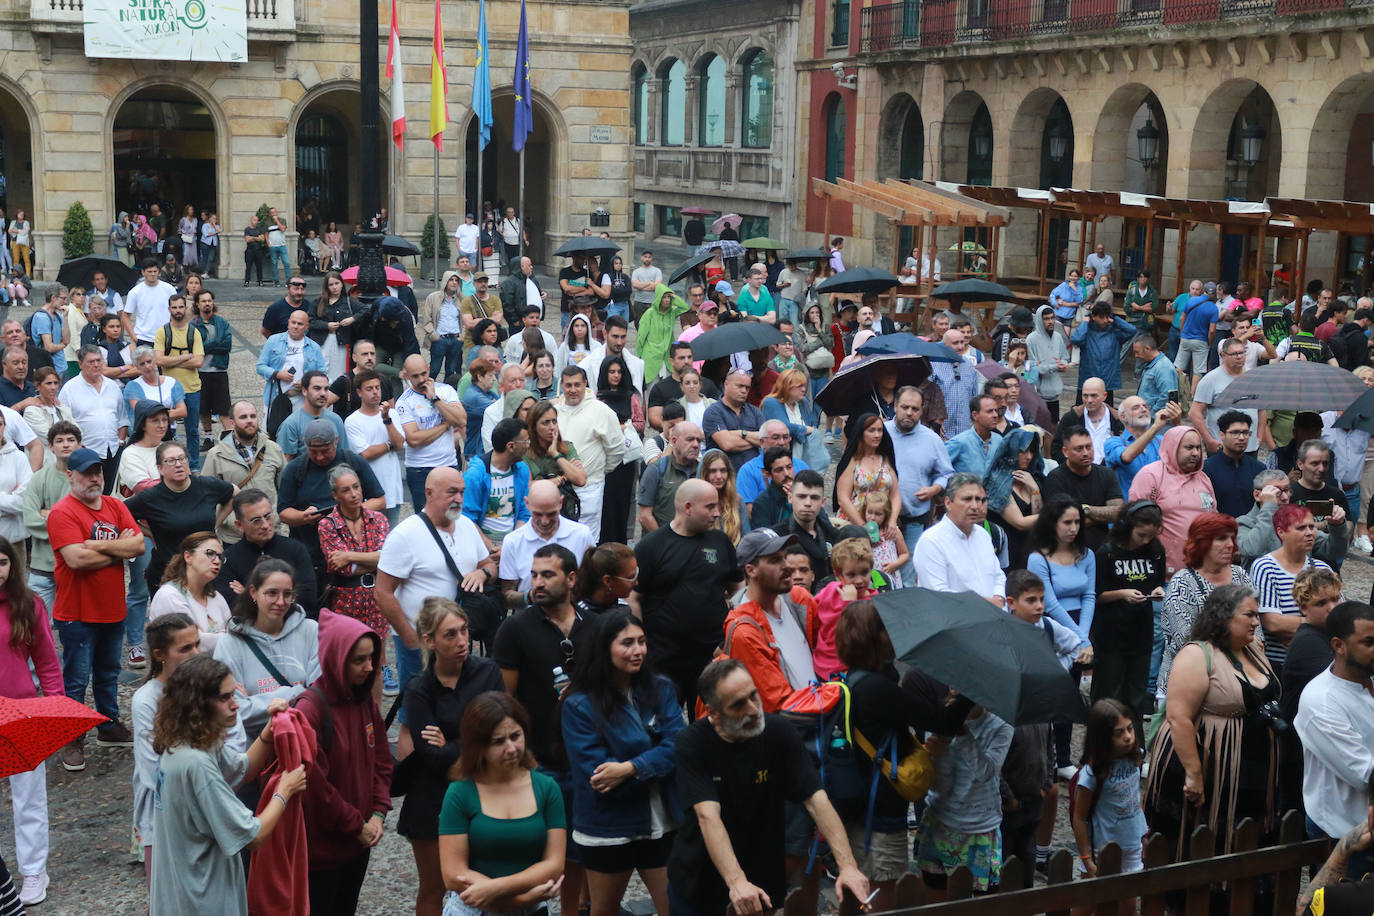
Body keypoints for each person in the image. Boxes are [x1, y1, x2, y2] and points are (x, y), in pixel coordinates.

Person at [667, 659, 870, 916]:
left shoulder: (779, 732)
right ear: (713, 713)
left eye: (753, 696)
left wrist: (848, 866)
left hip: (763, 877)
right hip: (700, 879)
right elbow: (708, 816)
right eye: (738, 704)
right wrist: (736, 881)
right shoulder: (692, 743)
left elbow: (815, 799)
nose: (753, 709)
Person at [147, 654, 307, 916]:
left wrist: (267, 733)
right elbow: (253, 836)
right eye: (224, 698)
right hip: (202, 898)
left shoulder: (188, 741)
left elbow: (242, 770)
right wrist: (284, 791)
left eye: (234, 695)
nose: (236, 705)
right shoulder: (197, 764)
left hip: (184, 894)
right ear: (197, 705)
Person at [561, 611, 683, 916]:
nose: (638, 650)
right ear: (604, 648)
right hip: (607, 825)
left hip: (662, 821)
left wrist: (631, 768)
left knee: (677, 908)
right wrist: (656, 761)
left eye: (642, 641)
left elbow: (679, 747)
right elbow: (599, 777)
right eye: (627, 643)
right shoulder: (579, 704)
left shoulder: (661, 687)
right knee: (604, 910)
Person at [1145, 584, 1279, 860]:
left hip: (1250, 769)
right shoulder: (1196, 654)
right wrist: (1194, 774)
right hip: (1212, 768)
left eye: (1257, 615)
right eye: (1249, 615)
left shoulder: (1253, 648)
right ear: (1224, 616)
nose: (1257, 621)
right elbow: (1178, 717)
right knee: (1200, 842)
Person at [376, 468, 497, 756]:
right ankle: (411, 785)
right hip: (421, 643)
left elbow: (490, 565)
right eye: (451, 492)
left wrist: (482, 573)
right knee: (412, 717)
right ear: (429, 493)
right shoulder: (405, 535)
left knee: (455, 709)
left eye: (462, 492)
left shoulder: (467, 525)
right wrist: (410, 639)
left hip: (457, 640)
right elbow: (382, 591)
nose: (458, 498)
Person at [397, 599, 505, 916]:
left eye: (464, 631)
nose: (462, 641)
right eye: (450, 635)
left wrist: (452, 744)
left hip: (484, 793)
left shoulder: (487, 672)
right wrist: (473, 740)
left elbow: (500, 736)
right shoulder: (418, 689)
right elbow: (431, 756)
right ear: (429, 641)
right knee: (434, 887)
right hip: (431, 801)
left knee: (490, 883)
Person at [48, 446, 145, 770]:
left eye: (98, 472)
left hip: (112, 609)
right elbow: (76, 559)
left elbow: (139, 544)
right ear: (70, 475)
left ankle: (107, 725)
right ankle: (72, 736)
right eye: (87, 472)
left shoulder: (115, 505)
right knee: (75, 680)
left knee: (108, 674)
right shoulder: (63, 512)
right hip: (76, 613)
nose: (94, 478)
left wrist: (99, 545)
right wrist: (118, 550)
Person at [293, 609, 393, 914]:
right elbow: (316, 788)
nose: (368, 667)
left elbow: (382, 761)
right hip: (323, 852)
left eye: (372, 658)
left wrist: (378, 813)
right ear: (336, 657)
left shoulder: (362, 700)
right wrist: (357, 824)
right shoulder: (311, 709)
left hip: (357, 843)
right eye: (358, 660)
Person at [437, 690, 567, 915]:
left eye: (515, 736)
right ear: (478, 747)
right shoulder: (460, 793)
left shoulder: (547, 788)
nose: (511, 748)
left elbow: (555, 865)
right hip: (475, 909)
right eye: (498, 741)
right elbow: (453, 874)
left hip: (530, 907)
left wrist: (497, 888)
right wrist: (521, 899)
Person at [631, 478, 740, 705]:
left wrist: (733, 636)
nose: (718, 513)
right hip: (664, 658)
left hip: (714, 655)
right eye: (710, 506)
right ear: (688, 507)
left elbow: (738, 586)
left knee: (711, 725)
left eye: (717, 506)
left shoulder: (720, 541)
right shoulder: (652, 546)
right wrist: (642, 644)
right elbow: (634, 597)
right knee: (663, 727)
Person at [0, 534, 59, 906]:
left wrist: (54, 708)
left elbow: (48, 661)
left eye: (2, 562)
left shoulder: (28, 603)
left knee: (29, 798)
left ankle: (34, 870)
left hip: (22, 712)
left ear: (12, 564)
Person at [125, 440, 236, 593]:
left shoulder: (206, 486)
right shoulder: (151, 497)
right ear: (160, 468)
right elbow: (121, 513)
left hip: (207, 571)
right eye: (170, 461)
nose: (178, 464)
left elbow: (235, 493)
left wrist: (216, 523)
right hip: (169, 574)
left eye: (182, 458)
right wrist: (150, 534)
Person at [1250, 503, 1332, 674]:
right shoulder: (1265, 567)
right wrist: (1320, 623)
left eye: (1311, 526)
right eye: (1301, 528)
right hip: (1282, 664)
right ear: (1281, 533)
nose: (1310, 532)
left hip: (1321, 658)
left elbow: (1339, 618)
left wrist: (1296, 626)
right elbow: (1273, 623)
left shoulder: (1322, 568)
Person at [1070, 698, 1148, 877]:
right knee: (1095, 902)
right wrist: (1087, 859)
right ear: (1103, 738)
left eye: (1130, 728)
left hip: (1132, 844)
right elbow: (1079, 818)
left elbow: (1136, 798)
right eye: (1119, 733)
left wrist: (1143, 833)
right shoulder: (1092, 773)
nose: (1128, 736)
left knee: (1129, 899)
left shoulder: (1136, 758)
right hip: (1102, 848)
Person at [1127, 426, 1216, 575]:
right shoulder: (1151, 475)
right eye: (1189, 448)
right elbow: (1135, 522)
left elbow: (1214, 519)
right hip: (1161, 575)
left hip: (1201, 574)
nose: (1195, 453)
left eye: (1198, 448)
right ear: (1172, 447)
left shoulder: (1204, 479)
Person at [554, 366, 625, 541]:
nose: (572, 390)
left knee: (587, 540)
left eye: (577, 385)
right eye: (568, 385)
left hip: (589, 487)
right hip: (557, 487)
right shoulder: (553, 410)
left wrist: (597, 470)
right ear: (561, 385)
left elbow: (616, 450)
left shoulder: (602, 411)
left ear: (585, 384)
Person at [913, 473, 1005, 603]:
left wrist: (999, 598)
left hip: (994, 617)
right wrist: (988, 604)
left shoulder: (983, 535)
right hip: (954, 621)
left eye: (978, 499)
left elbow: (998, 576)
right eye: (967, 499)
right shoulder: (931, 541)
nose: (975, 506)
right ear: (948, 503)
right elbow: (938, 595)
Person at [22, 420, 79, 609]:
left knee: (74, 629)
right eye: (59, 440)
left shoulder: (88, 478)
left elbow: (85, 520)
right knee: (34, 624)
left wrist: (49, 513)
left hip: (76, 564)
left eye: (71, 440)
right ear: (51, 446)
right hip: (42, 565)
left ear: (79, 444)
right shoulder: (39, 478)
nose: (65, 444)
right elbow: (30, 517)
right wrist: (67, 528)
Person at [148, 531, 232, 653]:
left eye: (220, 556)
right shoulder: (169, 596)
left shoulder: (217, 598)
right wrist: (230, 638)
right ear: (188, 557)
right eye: (210, 553)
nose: (217, 561)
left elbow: (233, 639)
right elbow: (194, 643)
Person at [1042, 427, 1123, 551]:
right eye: (1079, 449)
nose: (1086, 453)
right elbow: (1059, 521)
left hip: (1102, 549)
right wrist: (1101, 516)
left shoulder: (1106, 474)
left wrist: (1085, 509)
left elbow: (1118, 512)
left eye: (1088, 447)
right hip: (1068, 550)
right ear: (1065, 451)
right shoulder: (1055, 478)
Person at [59, 345, 130, 485]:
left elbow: (122, 418)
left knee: (109, 494)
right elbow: (62, 424)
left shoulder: (112, 386)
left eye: (99, 360)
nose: (96, 365)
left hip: (113, 451)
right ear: (80, 364)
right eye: (91, 362)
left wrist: (121, 441)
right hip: (85, 452)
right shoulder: (69, 389)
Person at [152, 294, 205, 466]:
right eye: (174, 307)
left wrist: (172, 361)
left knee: (192, 431)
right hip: (168, 390)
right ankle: (168, 463)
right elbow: (159, 360)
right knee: (165, 430)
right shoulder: (163, 332)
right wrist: (185, 358)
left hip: (191, 388)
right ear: (169, 309)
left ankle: (194, 465)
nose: (178, 310)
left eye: (181, 307)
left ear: (185, 308)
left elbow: (198, 362)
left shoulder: (193, 332)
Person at [833, 412, 900, 531]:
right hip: (853, 523)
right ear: (861, 433)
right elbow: (843, 499)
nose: (877, 435)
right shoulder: (852, 461)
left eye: (880, 430)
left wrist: (892, 521)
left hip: (881, 523)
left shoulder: (886, 460)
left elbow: (895, 495)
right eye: (871, 430)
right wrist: (863, 526)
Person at [257, 309, 326, 414]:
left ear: (306, 327)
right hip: (276, 396)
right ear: (288, 323)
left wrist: (307, 381)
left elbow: (322, 372)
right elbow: (260, 366)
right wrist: (277, 374)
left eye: (300, 324)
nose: (295, 326)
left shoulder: (314, 347)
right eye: (293, 323)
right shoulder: (273, 340)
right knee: (273, 429)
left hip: (301, 398)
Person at [1203, 410, 1266, 518]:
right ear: (1222, 435)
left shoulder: (1259, 469)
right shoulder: (1207, 469)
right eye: (1235, 433)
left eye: (1246, 433)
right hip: (1220, 530)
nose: (1242, 437)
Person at [309, 271, 362, 381]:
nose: (334, 287)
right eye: (331, 285)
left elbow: (365, 310)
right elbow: (310, 321)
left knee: (339, 370)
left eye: (337, 283)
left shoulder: (348, 301)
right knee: (322, 369)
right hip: (322, 340)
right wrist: (326, 325)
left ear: (342, 284)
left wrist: (352, 319)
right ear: (326, 287)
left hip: (341, 342)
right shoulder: (318, 302)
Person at [121, 258, 176, 348]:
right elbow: (126, 316)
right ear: (143, 272)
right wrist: (134, 338)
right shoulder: (135, 292)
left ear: (159, 272)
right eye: (149, 271)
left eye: (155, 271)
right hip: (143, 338)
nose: (153, 274)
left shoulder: (169, 289)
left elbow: (176, 311)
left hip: (167, 337)